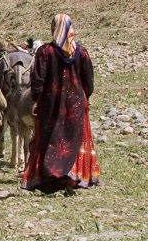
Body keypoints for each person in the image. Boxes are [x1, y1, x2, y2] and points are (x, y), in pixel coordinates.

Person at [22, 14, 100, 195]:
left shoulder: (45, 52)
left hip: (51, 104)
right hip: (76, 105)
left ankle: (51, 177)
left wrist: (36, 99)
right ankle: (74, 175)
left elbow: (38, 81)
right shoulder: (82, 52)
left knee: (51, 138)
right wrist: (82, 98)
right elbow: (88, 83)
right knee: (73, 138)